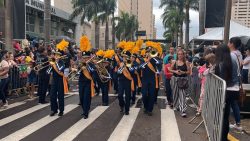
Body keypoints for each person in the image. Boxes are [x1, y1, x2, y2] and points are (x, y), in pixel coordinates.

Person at [214, 44, 240, 141]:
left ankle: (222, 137)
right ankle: (223, 137)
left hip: (225, 91)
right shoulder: (233, 59)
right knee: (226, 115)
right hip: (234, 90)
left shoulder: (222, 63)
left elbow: (222, 79)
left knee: (223, 117)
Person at [169, 49, 190, 117]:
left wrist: (183, 72)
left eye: (181, 54)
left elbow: (189, 72)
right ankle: (176, 106)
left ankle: (183, 110)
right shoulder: (174, 61)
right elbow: (170, 69)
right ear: (177, 55)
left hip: (183, 80)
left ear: (184, 55)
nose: (180, 55)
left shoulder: (186, 62)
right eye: (179, 54)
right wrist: (175, 72)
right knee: (175, 94)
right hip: (175, 79)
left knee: (182, 95)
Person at [227, 37, 242, 131]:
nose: (228, 44)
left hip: (231, 84)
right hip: (236, 83)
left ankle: (231, 123)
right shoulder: (238, 54)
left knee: (230, 104)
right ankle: (238, 123)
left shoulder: (231, 55)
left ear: (232, 44)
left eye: (229, 42)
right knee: (234, 104)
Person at [47, 51, 66, 117]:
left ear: (60, 56)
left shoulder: (62, 63)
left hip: (60, 80)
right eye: (55, 55)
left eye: (58, 55)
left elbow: (60, 69)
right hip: (54, 80)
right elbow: (48, 72)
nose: (56, 56)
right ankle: (54, 110)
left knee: (60, 96)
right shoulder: (53, 63)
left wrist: (55, 63)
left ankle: (61, 110)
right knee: (52, 95)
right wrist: (50, 65)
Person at [117, 51, 134, 115]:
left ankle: (127, 110)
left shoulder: (130, 63)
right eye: (123, 57)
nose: (124, 58)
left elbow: (132, 71)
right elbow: (118, 73)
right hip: (121, 81)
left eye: (125, 57)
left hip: (127, 81)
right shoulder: (121, 63)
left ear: (128, 57)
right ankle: (122, 105)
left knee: (128, 96)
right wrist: (121, 67)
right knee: (120, 95)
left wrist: (128, 66)